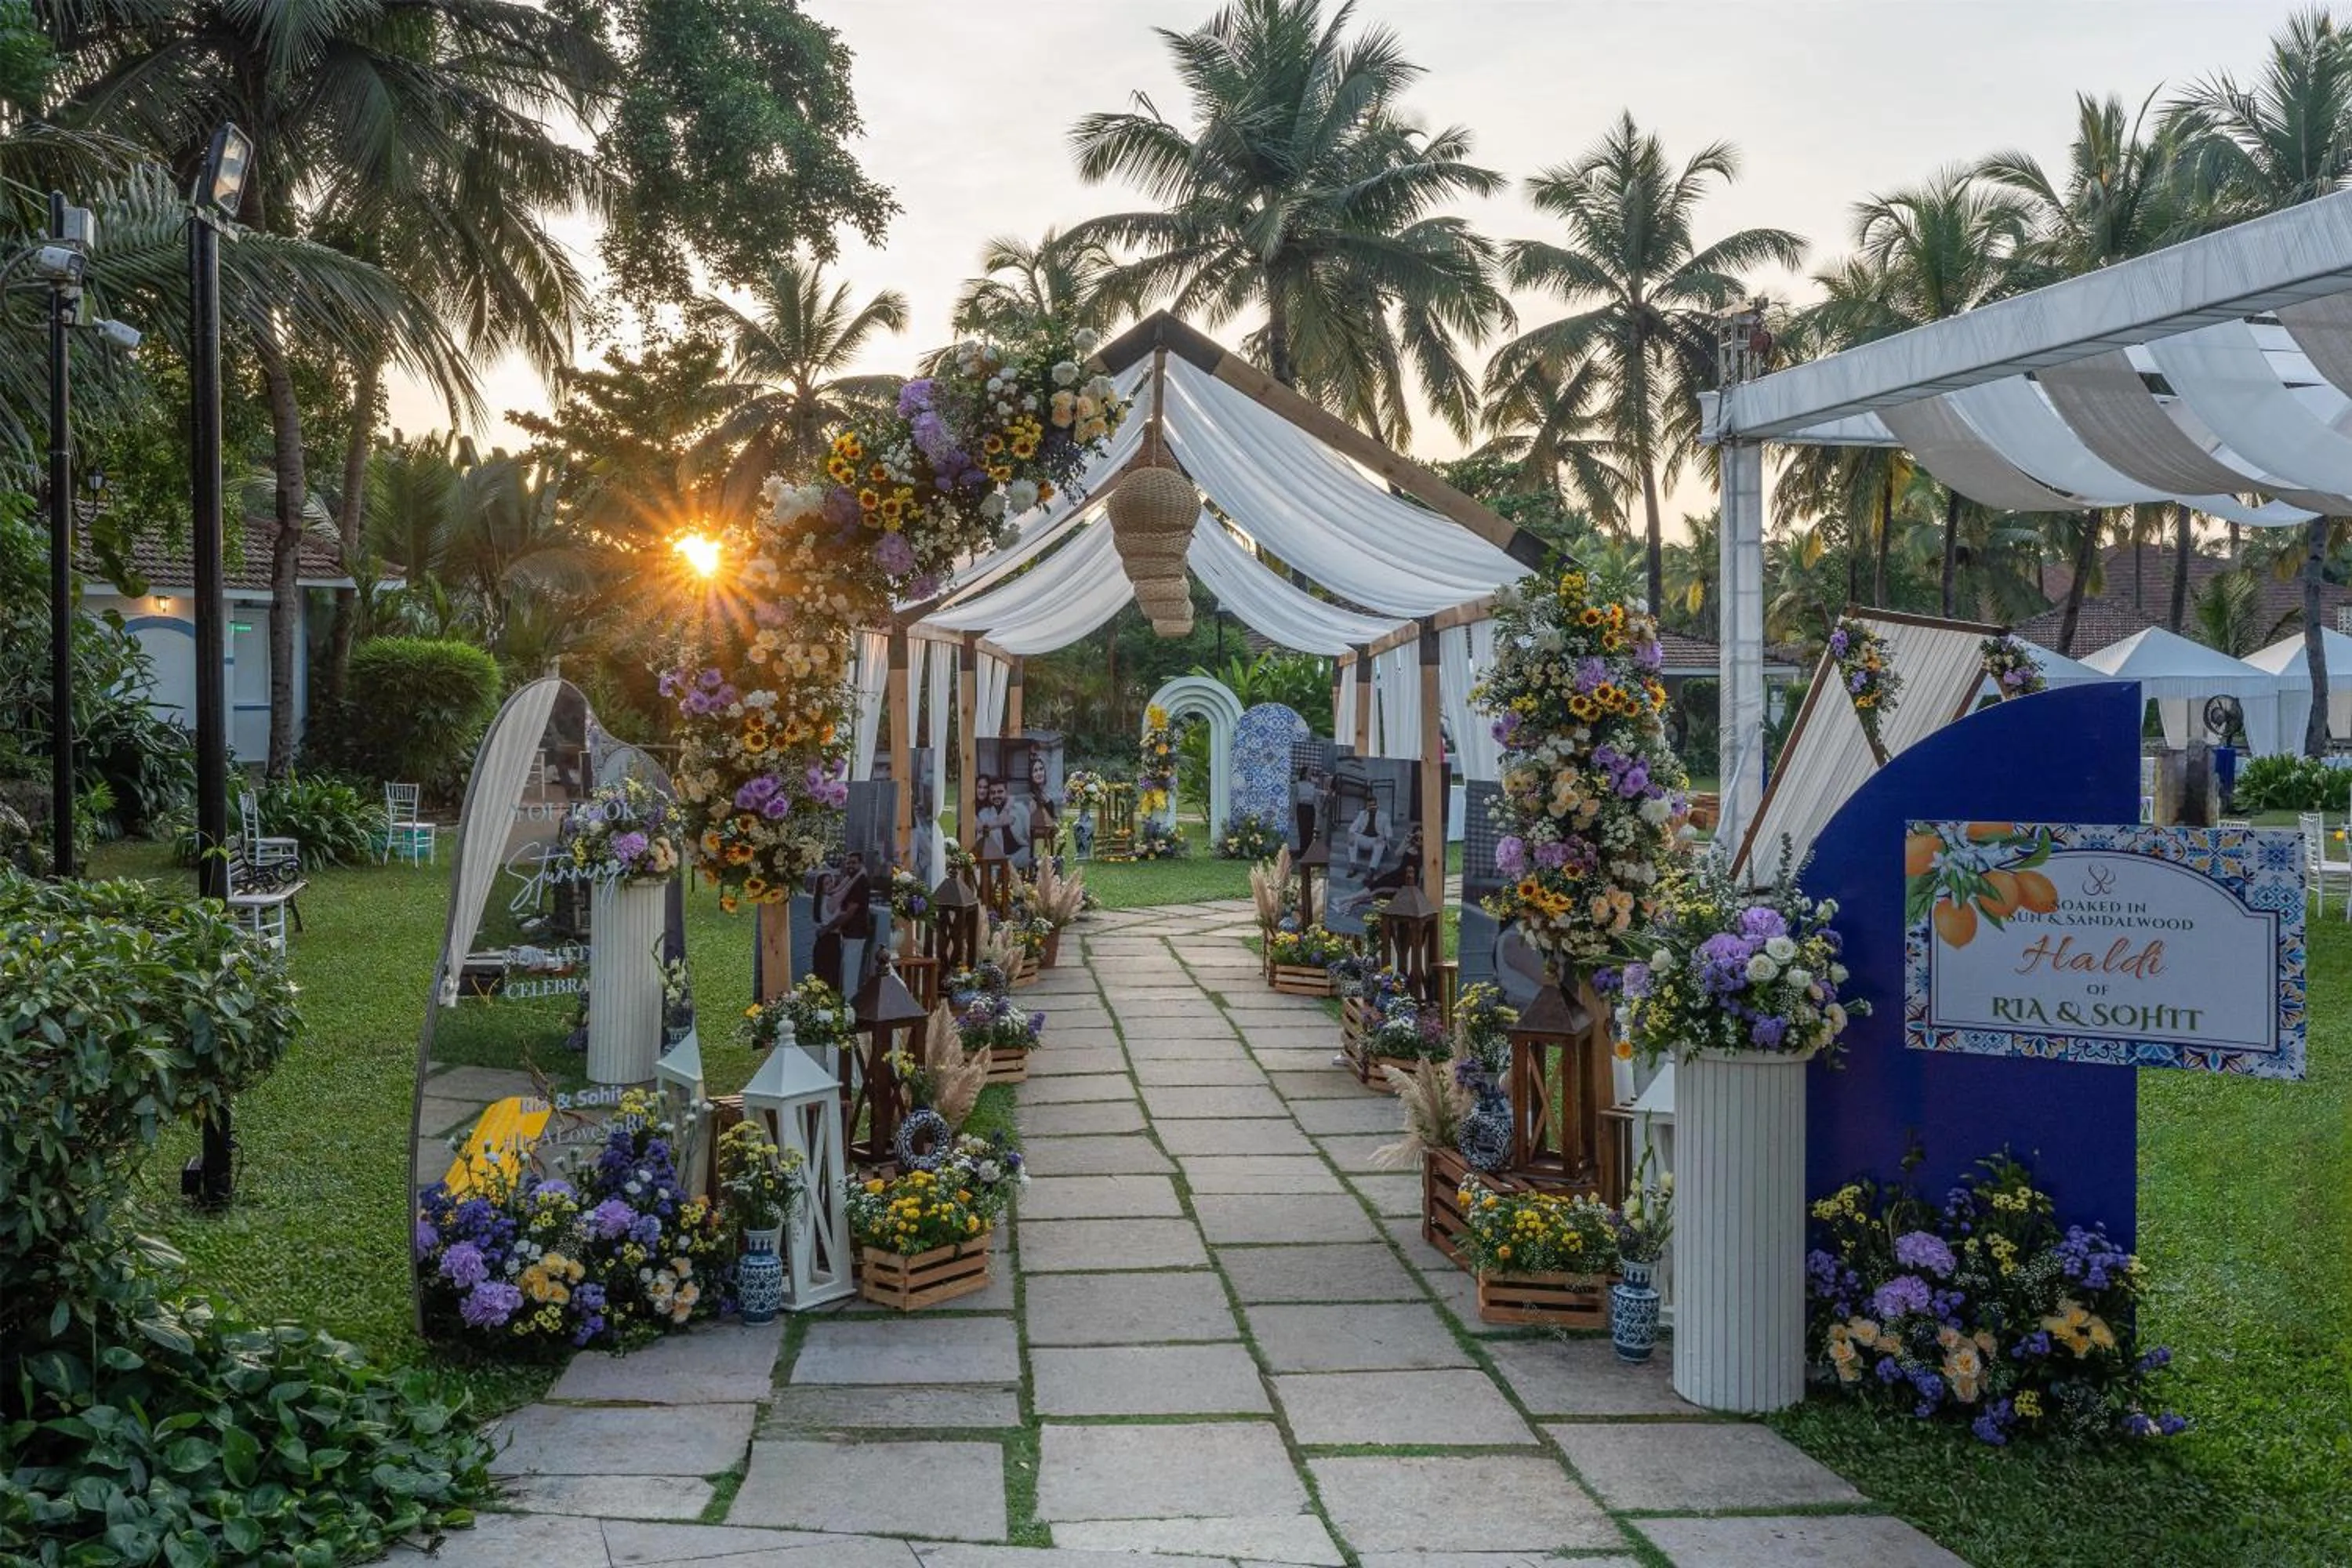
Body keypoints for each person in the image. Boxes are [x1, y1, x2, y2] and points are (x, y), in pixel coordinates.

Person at [812, 850, 875, 995]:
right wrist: (859, 873)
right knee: (836, 978)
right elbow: (844, 889)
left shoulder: (824, 898)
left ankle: (844, 1010)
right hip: (833, 940)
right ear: (821, 886)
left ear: (861, 863)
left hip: (845, 937)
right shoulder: (831, 900)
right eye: (847, 862)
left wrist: (857, 875)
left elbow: (842, 891)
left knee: (844, 978)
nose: (849, 865)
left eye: (853, 863)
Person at [1345, 790, 1392, 876]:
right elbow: (1353, 827)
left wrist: (1383, 837)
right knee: (1352, 837)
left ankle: (1372, 869)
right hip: (1364, 839)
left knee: (1381, 843)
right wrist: (1351, 834)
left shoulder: (1385, 816)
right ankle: (1353, 865)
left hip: (1376, 840)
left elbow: (1389, 832)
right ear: (1367, 806)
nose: (1372, 807)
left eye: (1374, 805)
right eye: (1370, 806)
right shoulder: (1362, 814)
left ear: (1377, 805)